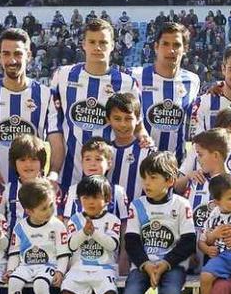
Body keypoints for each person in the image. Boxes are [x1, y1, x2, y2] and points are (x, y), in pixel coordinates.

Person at [123, 151, 196, 294]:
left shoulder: (182, 205)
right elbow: (132, 241)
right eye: (144, 177)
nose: (147, 183)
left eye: (153, 177)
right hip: (144, 265)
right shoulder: (137, 205)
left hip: (173, 265)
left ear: (170, 180)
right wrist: (146, 265)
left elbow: (188, 242)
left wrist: (165, 264)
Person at [49, 18, 141, 193]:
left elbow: (137, 126)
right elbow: (55, 128)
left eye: (103, 42)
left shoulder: (126, 82)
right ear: (83, 44)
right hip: (70, 174)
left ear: (113, 45)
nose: (97, 47)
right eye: (92, 42)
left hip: (111, 174)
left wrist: (144, 139)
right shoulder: (63, 75)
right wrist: (54, 171)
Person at [0, 28, 55, 187]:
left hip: (33, 189)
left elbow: (56, 142)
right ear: (0, 57)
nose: (12, 60)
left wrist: (53, 174)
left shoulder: (45, 95)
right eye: (6, 54)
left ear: (28, 56)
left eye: (18, 54)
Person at [0, 134, 48, 294]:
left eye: (34, 159)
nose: (28, 165)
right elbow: (0, 219)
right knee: (6, 291)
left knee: (36, 292)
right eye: (22, 160)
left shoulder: (50, 188)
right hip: (12, 255)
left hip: (44, 256)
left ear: (42, 162)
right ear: (14, 163)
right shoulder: (7, 191)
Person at [5, 179, 68, 294]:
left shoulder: (57, 226)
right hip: (26, 268)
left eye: (51, 205)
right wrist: (10, 270)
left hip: (48, 268)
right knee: (14, 283)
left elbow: (64, 253)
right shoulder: (20, 227)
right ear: (29, 211)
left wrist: (61, 272)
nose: (49, 211)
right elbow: (15, 252)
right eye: (44, 208)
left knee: (43, 288)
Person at [60, 175, 121, 294]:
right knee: (66, 289)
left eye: (95, 197)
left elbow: (112, 245)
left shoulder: (112, 220)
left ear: (107, 199)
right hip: (79, 268)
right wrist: (84, 233)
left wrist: (94, 232)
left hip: (104, 268)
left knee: (109, 292)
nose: (90, 202)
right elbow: (71, 245)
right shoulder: (75, 220)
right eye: (86, 197)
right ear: (79, 199)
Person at [129, 22, 200, 163]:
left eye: (177, 45)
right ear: (156, 47)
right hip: (137, 163)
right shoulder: (135, 77)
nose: (171, 50)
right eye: (165, 44)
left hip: (176, 166)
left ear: (185, 48)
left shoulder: (193, 81)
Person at [106, 93, 154, 204]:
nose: (123, 124)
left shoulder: (148, 151)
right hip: (109, 218)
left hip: (140, 217)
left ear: (137, 119)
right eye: (117, 119)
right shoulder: (103, 152)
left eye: (128, 119)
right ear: (108, 119)